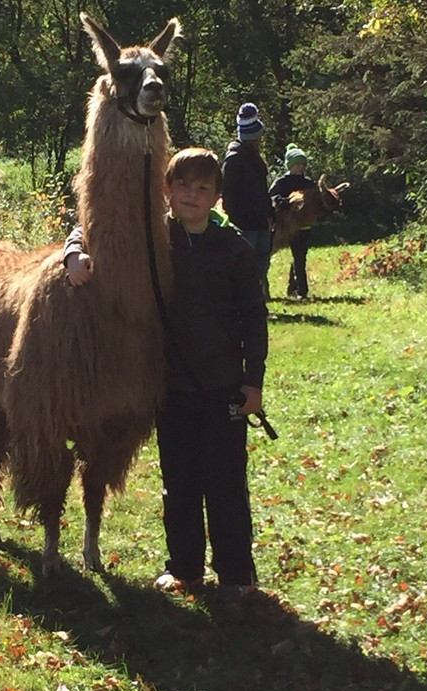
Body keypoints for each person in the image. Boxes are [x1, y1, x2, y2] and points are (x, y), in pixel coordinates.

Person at [64, 148, 268, 600]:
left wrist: (252, 382)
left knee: (226, 484)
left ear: (217, 197)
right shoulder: (154, 239)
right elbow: (93, 228)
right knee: (179, 484)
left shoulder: (233, 249)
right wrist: (73, 252)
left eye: (202, 188)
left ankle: (237, 577)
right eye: (182, 186)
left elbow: (254, 318)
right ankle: (186, 570)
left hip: (223, 389)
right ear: (167, 191)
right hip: (171, 389)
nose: (191, 195)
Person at [221, 103, 275, 299]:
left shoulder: (255, 160)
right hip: (245, 226)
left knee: (261, 266)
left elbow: (262, 191)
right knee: (246, 269)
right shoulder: (234, 160)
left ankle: (256, 301)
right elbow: (228, 196)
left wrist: (270, 212)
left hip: (260, 223)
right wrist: (239, 222)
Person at [269, 143, 316, 299]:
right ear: (289, 165)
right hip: (282, 227)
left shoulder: (309, 183)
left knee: (300, 258)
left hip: (302, 227)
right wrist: (280, 200)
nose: (301, 167)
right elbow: (271, 195)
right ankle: (286, 287)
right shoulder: (282, 182)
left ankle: (301, 290)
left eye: (303, 164)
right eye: (297, 164)